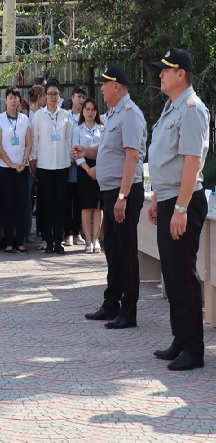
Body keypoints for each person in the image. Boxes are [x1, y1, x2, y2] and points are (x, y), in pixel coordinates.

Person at [147, 48, 209, 370]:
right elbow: (165, 159)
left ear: (180, 73)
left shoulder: (192, 109)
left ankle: (193, 350)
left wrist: (181, 208)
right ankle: (180, 339)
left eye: (165, 70)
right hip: (170, 198)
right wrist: (159, 196)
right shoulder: (171, 109)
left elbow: (192, 163)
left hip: (184, 200)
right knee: (171, 274)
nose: (160, 74)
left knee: (183, 275)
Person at [75, 65, 146, 330]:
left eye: (104, 84)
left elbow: (132, 157)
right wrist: (86, 150)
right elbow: (108, 150)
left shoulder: (130, 115)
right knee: (113, 251)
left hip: (123, 192)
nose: (101, 88)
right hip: (111, 192)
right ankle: (112, 302)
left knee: (126, 252)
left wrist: (123, 196)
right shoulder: (114, 114)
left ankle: (129, 310)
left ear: (116, 86)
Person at [30, 80, 74, 254]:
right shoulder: (39, 116)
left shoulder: (65, 115)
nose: (53, 97)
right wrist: (33, 162)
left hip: (62, 165)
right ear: (45, 96)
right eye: (50, 94)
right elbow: (35, 140)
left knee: (60, 205)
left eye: (56, 94)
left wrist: (70, 160)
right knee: (46, 204)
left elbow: (69, 139)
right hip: (45, 166)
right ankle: (47, 241)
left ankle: (58, 241)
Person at [0, 86, 32, 254]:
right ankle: (8, 240)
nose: (13, 100)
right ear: (5, 100)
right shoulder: (0, 119)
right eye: (10, 97)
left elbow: (29, 143)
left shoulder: (25, 119)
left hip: (22, 168)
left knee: (21, 205)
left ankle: (20, 240)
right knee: (6, 205)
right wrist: (11, 164)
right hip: (5, 168)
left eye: (16, 97)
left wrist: (23, 161)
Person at [73, 98, 104, 253]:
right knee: (86, 206)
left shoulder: (102, 129)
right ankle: (87, 240)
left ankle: (96, 239)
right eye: (87, 109)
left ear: (96, 112)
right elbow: (76, 153)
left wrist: (97, 168)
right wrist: (88, 169)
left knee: (98, 206)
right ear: (83, 111)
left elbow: (106, 151)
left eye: (93, 109)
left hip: (100, 169)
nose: (90, 112)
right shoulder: (77, 129)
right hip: (84, 169)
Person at [64, 86, 88, 247]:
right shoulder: (65, 116)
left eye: (83, 97)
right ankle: (67, 233)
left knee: (80, 198)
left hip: (82, 163)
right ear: (72, 98)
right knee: (67, 199)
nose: (81, 100)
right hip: (66, 163)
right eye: (78, 96)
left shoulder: (87, 116)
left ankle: (77, 231)